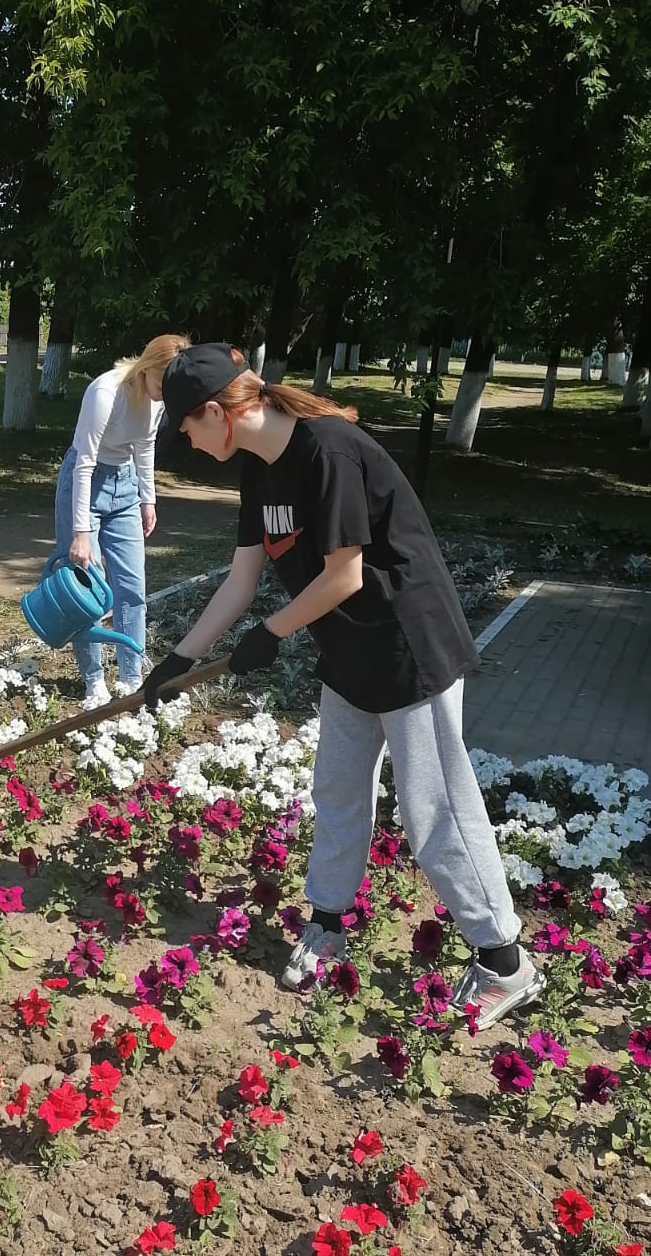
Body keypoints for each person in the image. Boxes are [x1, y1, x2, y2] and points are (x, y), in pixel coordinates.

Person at [141, 342, 543, 1031]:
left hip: (408, 648)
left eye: (186, 429)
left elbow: (344, 576)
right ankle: (327, 922)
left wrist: (272, 634)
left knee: (433, 807)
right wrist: (178, 659)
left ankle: (505, 962)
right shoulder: (259, 474)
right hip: (348, 652)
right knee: (336, 787)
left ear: (217, 412)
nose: (186, 442)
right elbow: (241, 581)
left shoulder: (326, 450)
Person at [53, 333, 189, 706]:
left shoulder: (159, 399)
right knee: (89, 589)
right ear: (147, 368)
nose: (165, 394)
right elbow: (84, 462)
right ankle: (93, 680)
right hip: (86, 483)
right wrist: (80, 531)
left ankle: (131, 677)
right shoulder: (105, 392)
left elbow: (145, 445)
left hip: (125, 487)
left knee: (132, 586)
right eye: (163, 384)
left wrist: (149, 499)